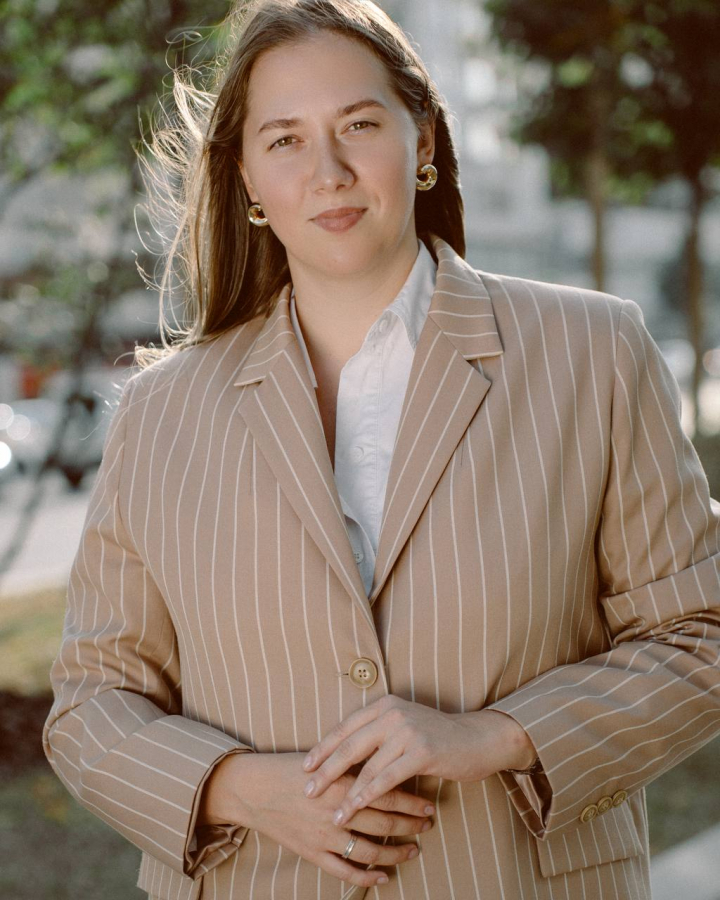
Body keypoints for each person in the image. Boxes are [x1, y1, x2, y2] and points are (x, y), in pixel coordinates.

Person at [43, 0, 720, 898]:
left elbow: (698, 635)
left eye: (359, 125)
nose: (327, 171)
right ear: (246, 177)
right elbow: (92, 701)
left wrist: (501, 736)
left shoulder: (593, 352)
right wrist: (240, 789)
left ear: (423, 138)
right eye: (284, 140)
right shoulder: (161, 411)